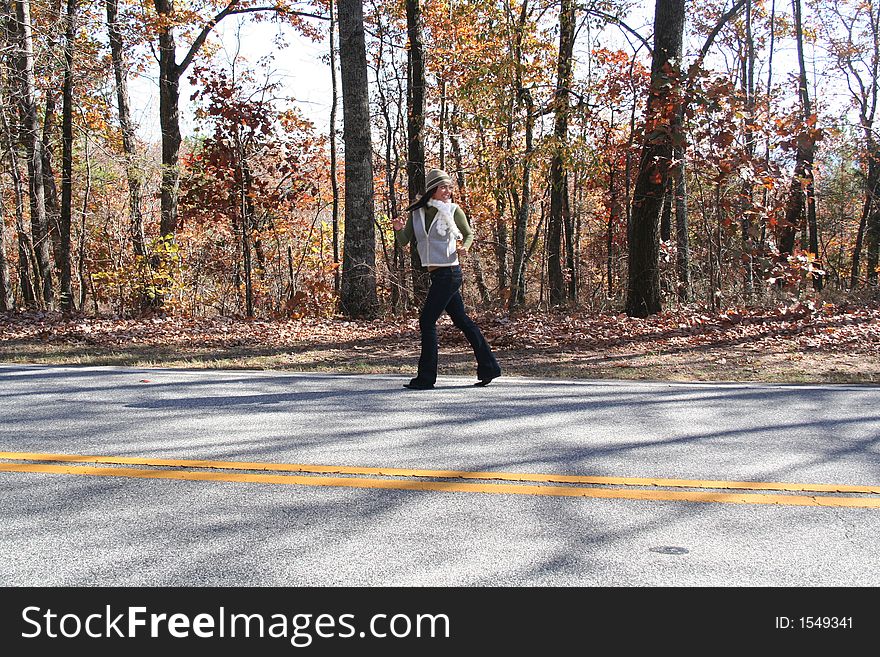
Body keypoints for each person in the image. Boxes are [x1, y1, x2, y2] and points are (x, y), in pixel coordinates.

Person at [392, 168, 501, 390]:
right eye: (443, 187)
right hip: (436, 274)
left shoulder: (453, 210)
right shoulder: (417, 213)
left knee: (427, 321)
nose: (448, 191)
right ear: (432, 189)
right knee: (462, 321)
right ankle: (489, 367)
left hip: (450, 273)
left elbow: (468, 234)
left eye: (450, 188)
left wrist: (465, 247)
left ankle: (425, 378)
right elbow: (404, 241)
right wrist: (397, 229)